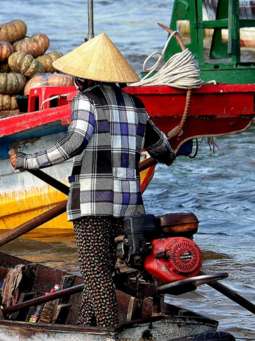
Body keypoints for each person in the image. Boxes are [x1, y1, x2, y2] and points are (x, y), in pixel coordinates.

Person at [9, 33, 176, 328]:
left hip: (92, 202)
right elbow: (163, 149)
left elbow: (73, 144)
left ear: (84, 78)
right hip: (128, 207)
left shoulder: (85, 100)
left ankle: (111, 333)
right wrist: (170, 152)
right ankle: (85, 330)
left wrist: (27, 161)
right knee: (102, 272)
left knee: (96, 274)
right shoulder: (136, 104)